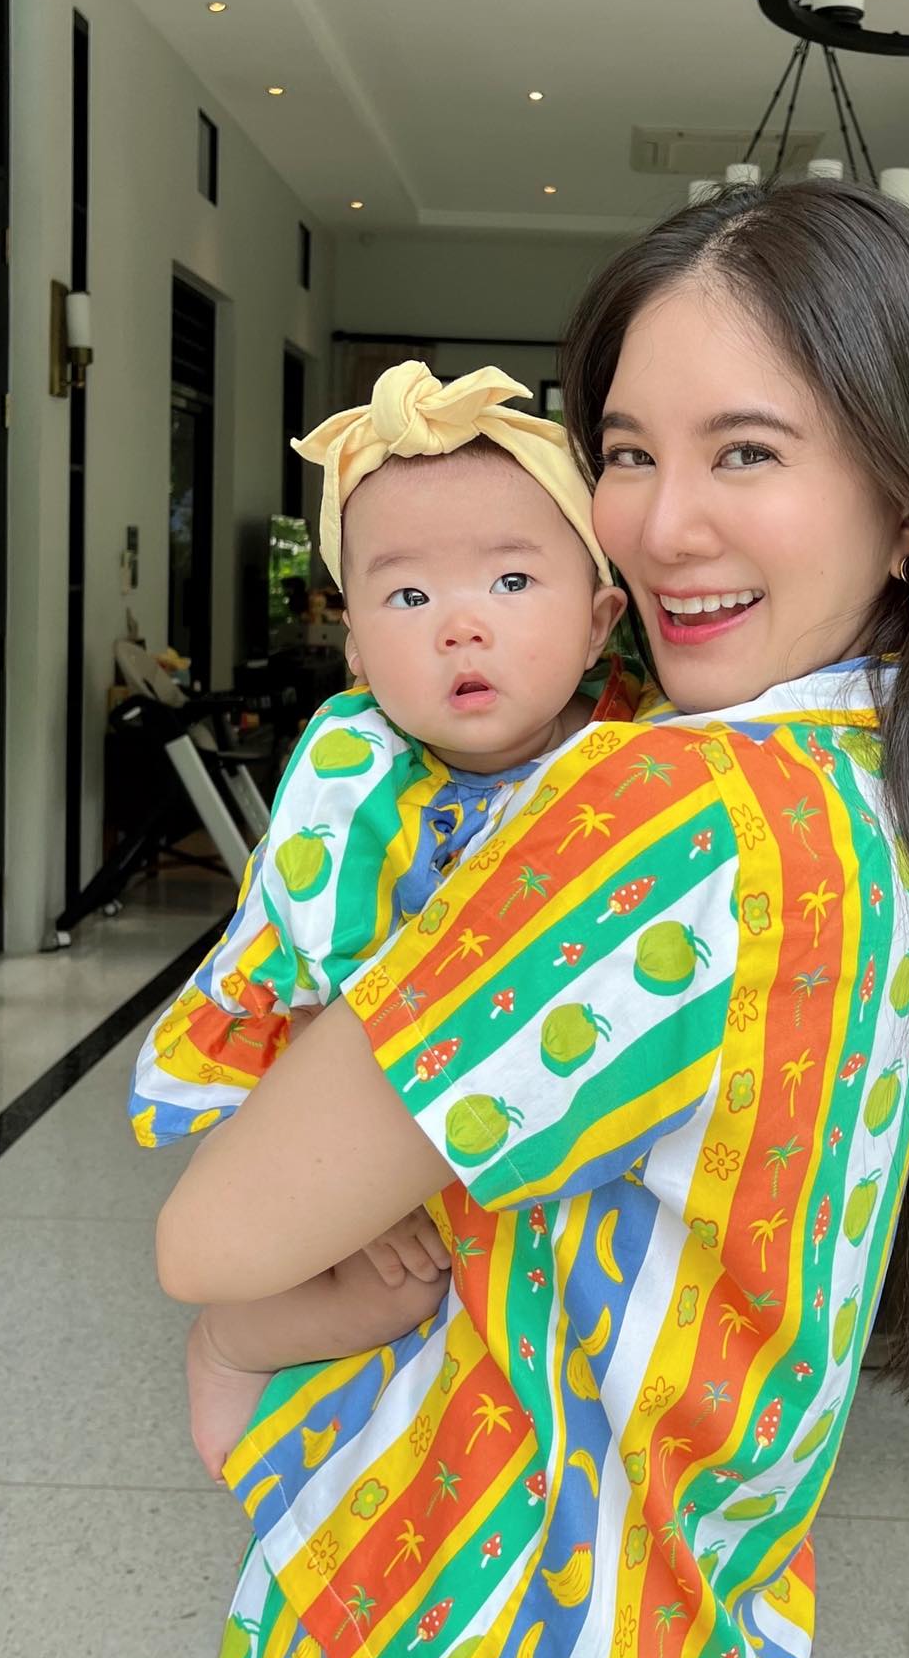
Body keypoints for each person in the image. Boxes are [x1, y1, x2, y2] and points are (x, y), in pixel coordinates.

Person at [154, 178, 909, 1658]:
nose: (660, 525)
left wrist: (235, 1330)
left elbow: (211, 1238)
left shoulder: (668, 814)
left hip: (469, 1648)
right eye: (628, 453)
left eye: (747, 451)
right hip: (685, 1638)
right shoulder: (893, 788)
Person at [130, 361, 630, 1475]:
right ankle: (233, 1341)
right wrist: (361, 1200)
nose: (462, 626)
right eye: (408, 598)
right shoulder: (354, 766)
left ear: (601, 620)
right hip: (326, 1060)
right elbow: (324, 991)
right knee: (394, 1288)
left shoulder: (625, 762)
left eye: (512, 581)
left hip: (471, 1078)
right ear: (355, 647)